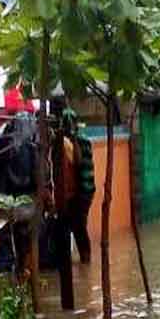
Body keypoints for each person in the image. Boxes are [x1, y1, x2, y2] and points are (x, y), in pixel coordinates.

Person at [58, 110, 96, 265]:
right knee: (73, 226)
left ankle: (86, 260)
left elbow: (79, 163)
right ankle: (83, 262)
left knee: (79, 227)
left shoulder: (80, 140)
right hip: (80, 191)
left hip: (84, 191)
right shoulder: (73, 141)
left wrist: (72, 139)